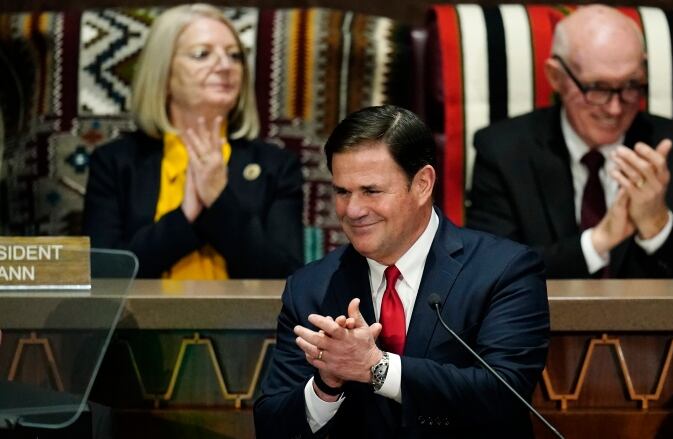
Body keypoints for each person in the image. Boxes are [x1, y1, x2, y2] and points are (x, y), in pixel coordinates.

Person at [253, 105, 549, 438]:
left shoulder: (504, 270)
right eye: (342, 192)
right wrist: (326, 384)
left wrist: (376, 369)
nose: (353, 210)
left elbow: (505, 395)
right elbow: (271, 426)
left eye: (371, 191)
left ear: (422, 184)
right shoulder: (310, 287)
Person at [467, 5, 673, 279]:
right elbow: (487, 276)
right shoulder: (503, 151)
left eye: (631, 86)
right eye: (597, 88)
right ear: (556, 77)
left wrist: (658, 226)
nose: (615, 109)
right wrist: (597, 243)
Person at [83, 4, 303, 279]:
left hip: (243, 322)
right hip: (140, 322)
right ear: (163, 73)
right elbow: (104, 274)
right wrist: (186, 215)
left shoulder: (277, 165)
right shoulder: (114, 162)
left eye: (234, 56)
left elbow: (287, 276)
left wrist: (219, 202)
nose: (225, 66)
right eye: (202, 54)